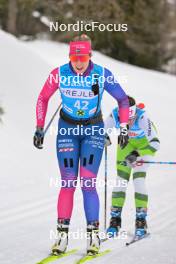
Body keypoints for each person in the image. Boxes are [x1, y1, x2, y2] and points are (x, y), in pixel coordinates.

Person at [33, 34, 129, 255]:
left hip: (93, 130)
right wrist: (39, 127)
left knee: (88, 183)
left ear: (89, 56)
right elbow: (42, 98)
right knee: (67, 183)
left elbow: (123, 100)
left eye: (82, 58)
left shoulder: (102, 74)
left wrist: (123, 127)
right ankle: (62, 237)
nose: (78, 63)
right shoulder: (59, 74)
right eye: (74, 58)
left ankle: (93, 236)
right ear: (69, 57)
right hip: (67, 130)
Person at [105, 96, 160, 238]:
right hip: (126, 145)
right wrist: (104, 137)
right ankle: (115, 220)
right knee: (120, 180)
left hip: (143, 147)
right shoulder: (115, 113)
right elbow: (102, 130)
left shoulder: (142, 118)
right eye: (126, 120)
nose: (129, 122)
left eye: (131, 118)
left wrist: (138, 154)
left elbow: (155, 144)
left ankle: (141, 220)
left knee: (138, 180)